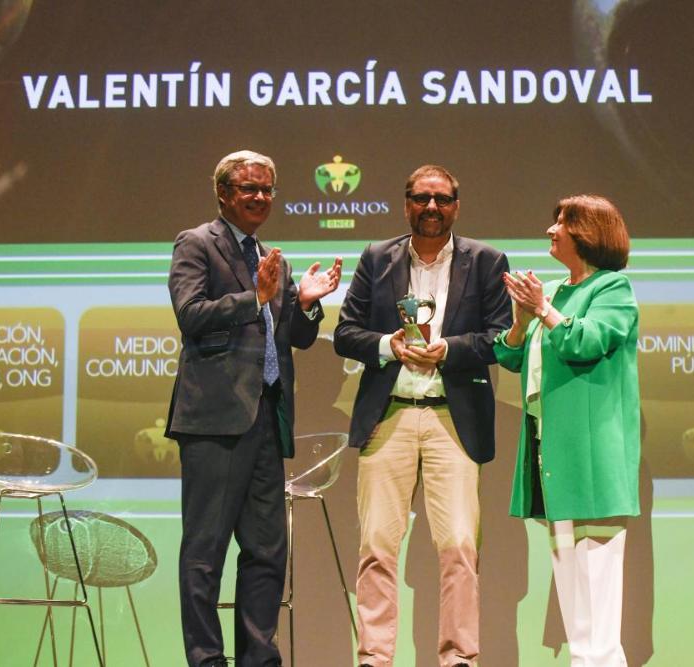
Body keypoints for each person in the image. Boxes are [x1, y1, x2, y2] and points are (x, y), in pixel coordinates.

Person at [165, 149, 343, 667]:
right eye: (249, 188)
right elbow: (191, 315)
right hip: (215, 422)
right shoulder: (197, 244)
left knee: (267, 552)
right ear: (223, 193)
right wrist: (256, 299)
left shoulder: (271, 257)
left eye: (267, 189)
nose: (260, 197)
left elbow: (294, 339)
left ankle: (258, 659)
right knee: (205, 552)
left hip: (267, 417)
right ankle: (206, 660)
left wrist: (305, 303)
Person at [334, 164, 512, 667]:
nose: (431, 207)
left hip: (451, 420)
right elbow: (346, 333)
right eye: (421, 198)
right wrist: (388, 346)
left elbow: (501, 337)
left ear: (457, 204)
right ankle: (374, 659)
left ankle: (458, 659)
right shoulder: (377, 258)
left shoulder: (485, 261)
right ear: (406, 202)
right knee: (376, 547)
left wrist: (450, 349)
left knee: (458, 545)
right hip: (387, 415)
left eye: (442, 199)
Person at [495, 194, 640, 667]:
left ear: (588, 233)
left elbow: (587, 341)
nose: (551, 230)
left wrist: (544, 310)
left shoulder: (613, 289)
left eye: (561, 222)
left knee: (597, 587)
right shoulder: (555, 291)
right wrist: (522, 320)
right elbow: (513, 357)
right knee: (570, 584)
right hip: (551, 450)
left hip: (592, 455)